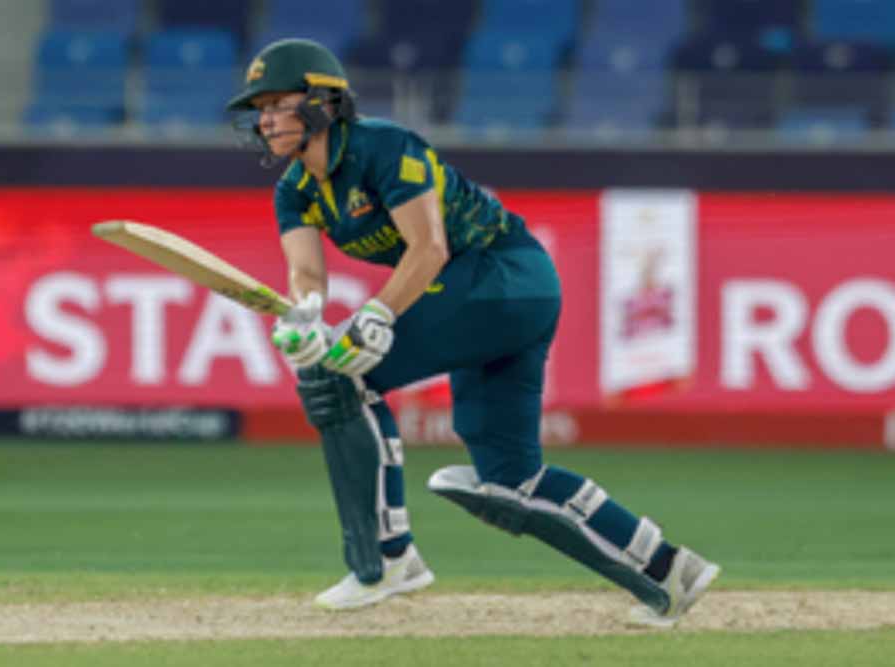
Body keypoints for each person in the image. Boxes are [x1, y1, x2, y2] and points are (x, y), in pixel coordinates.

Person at [226, 38, 719, 627]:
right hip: (488, 298)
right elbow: (307, 275)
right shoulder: (294, 191)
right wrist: (305, 315)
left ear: (321, 102)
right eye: (260, 109)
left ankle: (385, 560)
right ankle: (668, 571)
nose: (265, 120)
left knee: (338, 379)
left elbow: (429, 247)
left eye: (277, 103)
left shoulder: (385, 147)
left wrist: (376, 315)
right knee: (510, 480)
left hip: (499, 276)